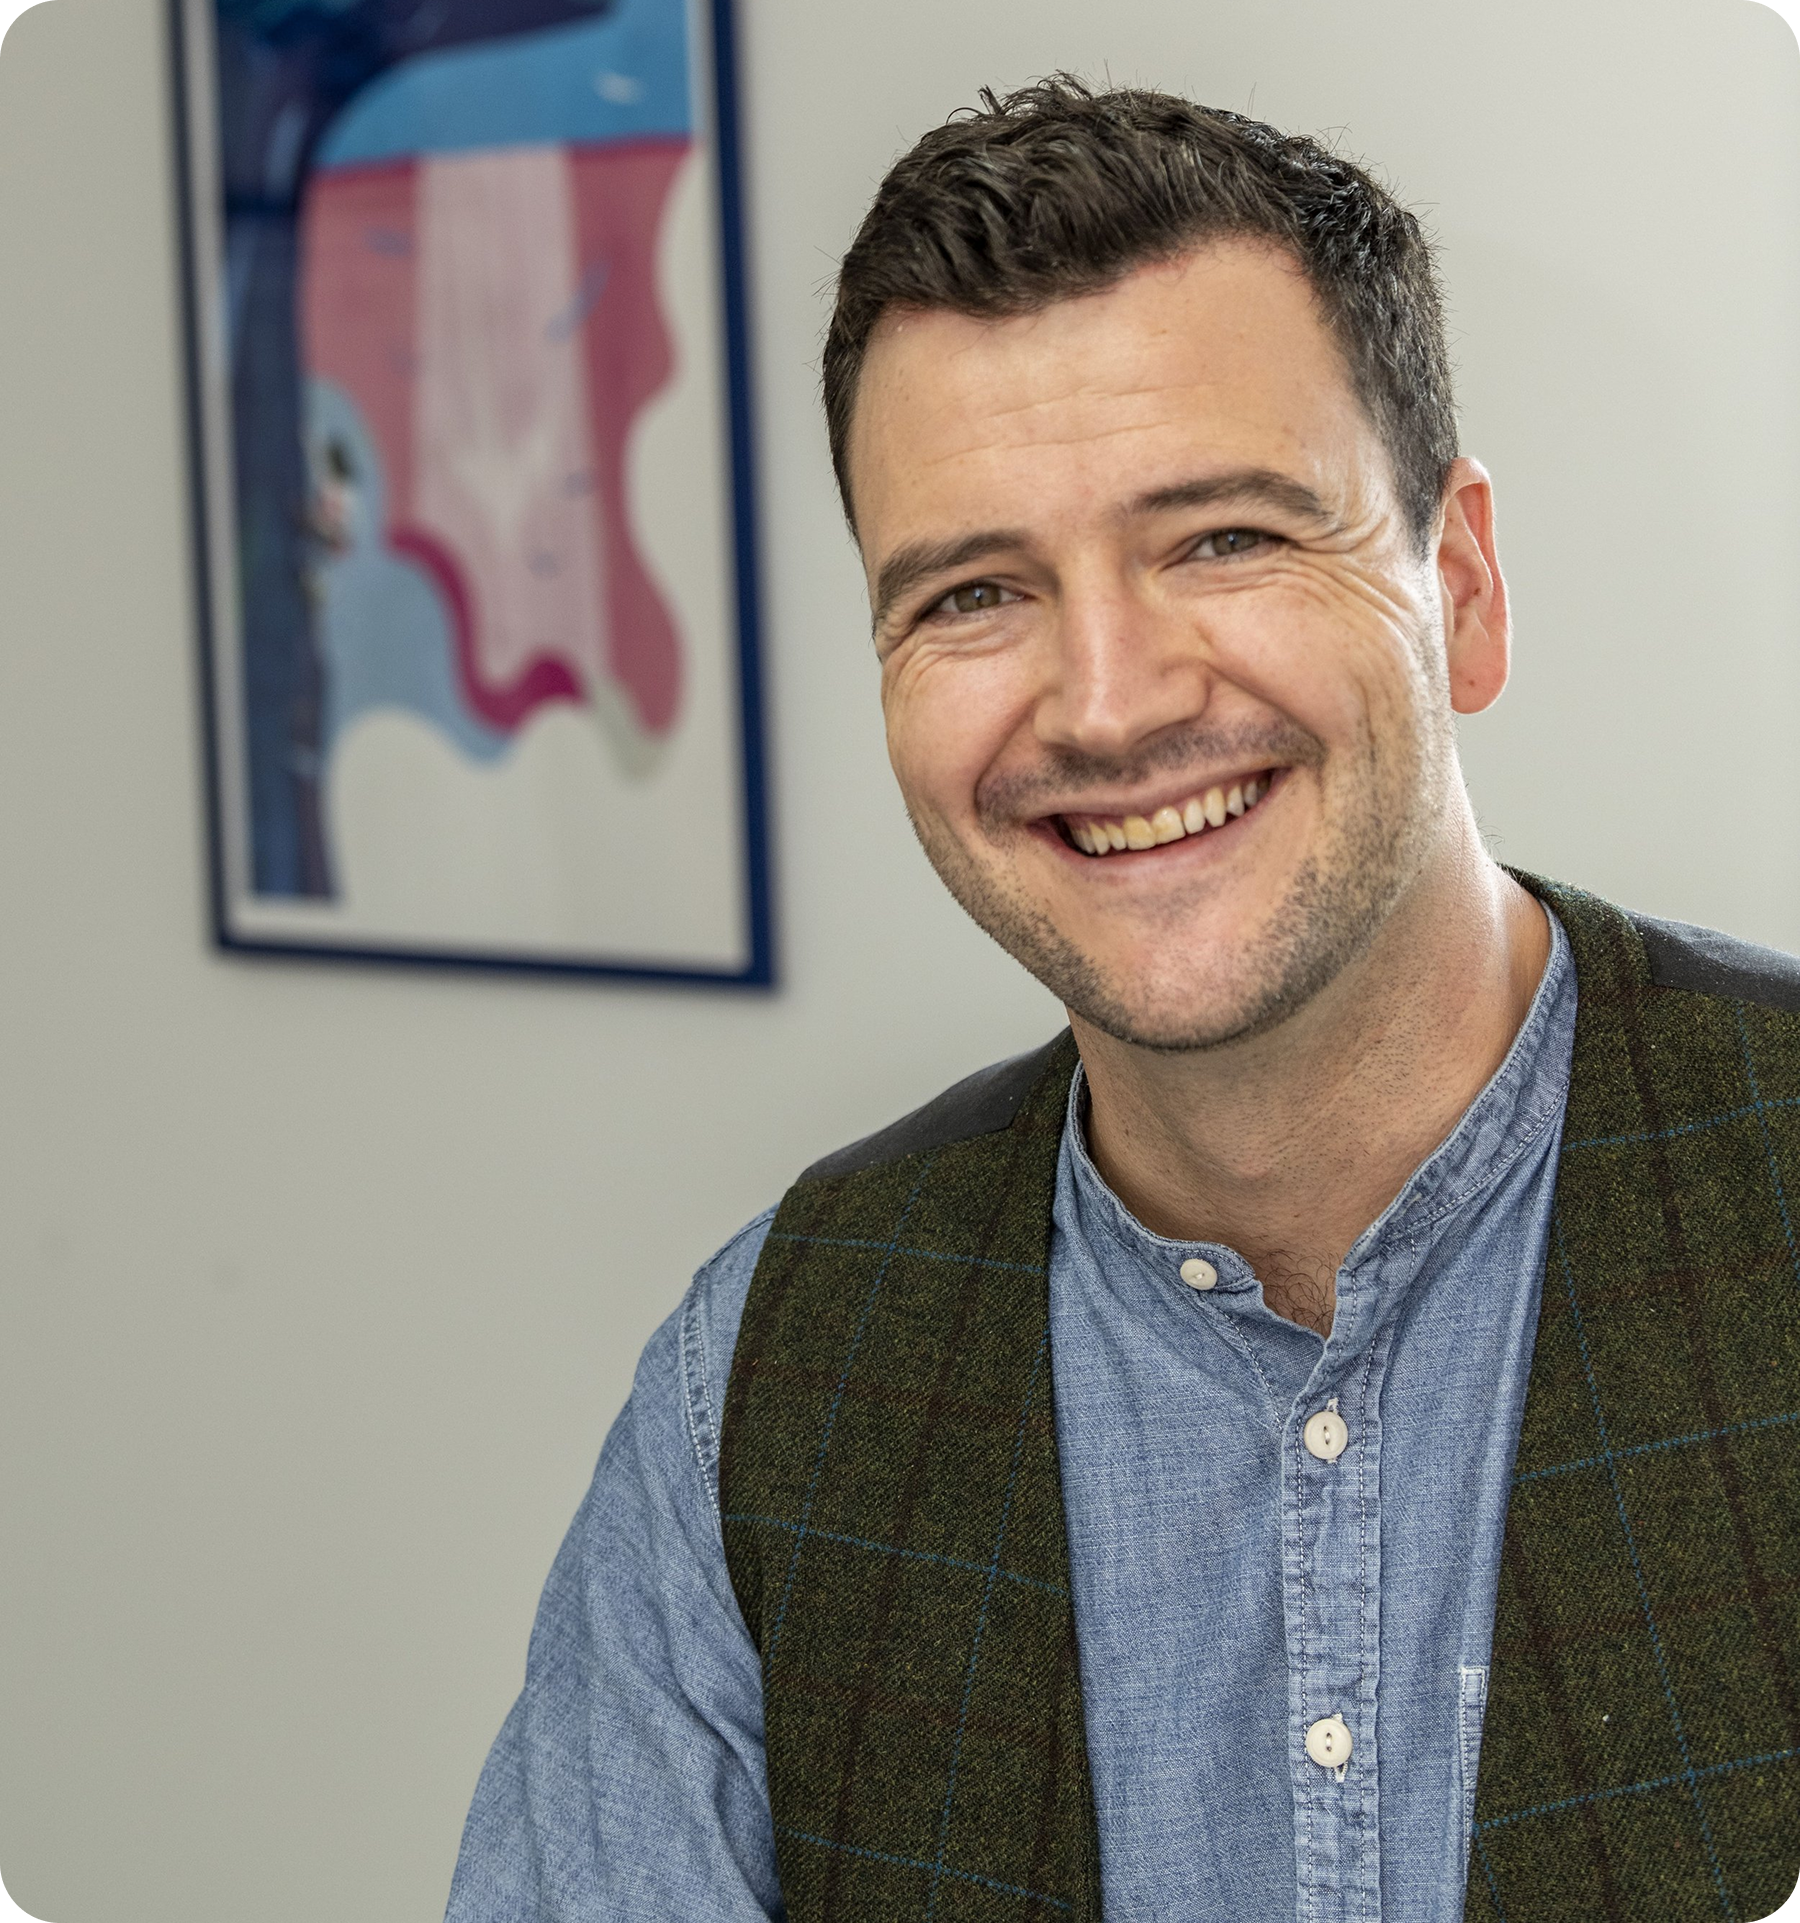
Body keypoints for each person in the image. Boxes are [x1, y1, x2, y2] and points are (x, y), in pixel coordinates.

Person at [444, 79, 1800, 1923]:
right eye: (973, 592)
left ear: (1463, 588)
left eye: (1223, 538)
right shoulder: (754, 1387)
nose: (1106, 700)